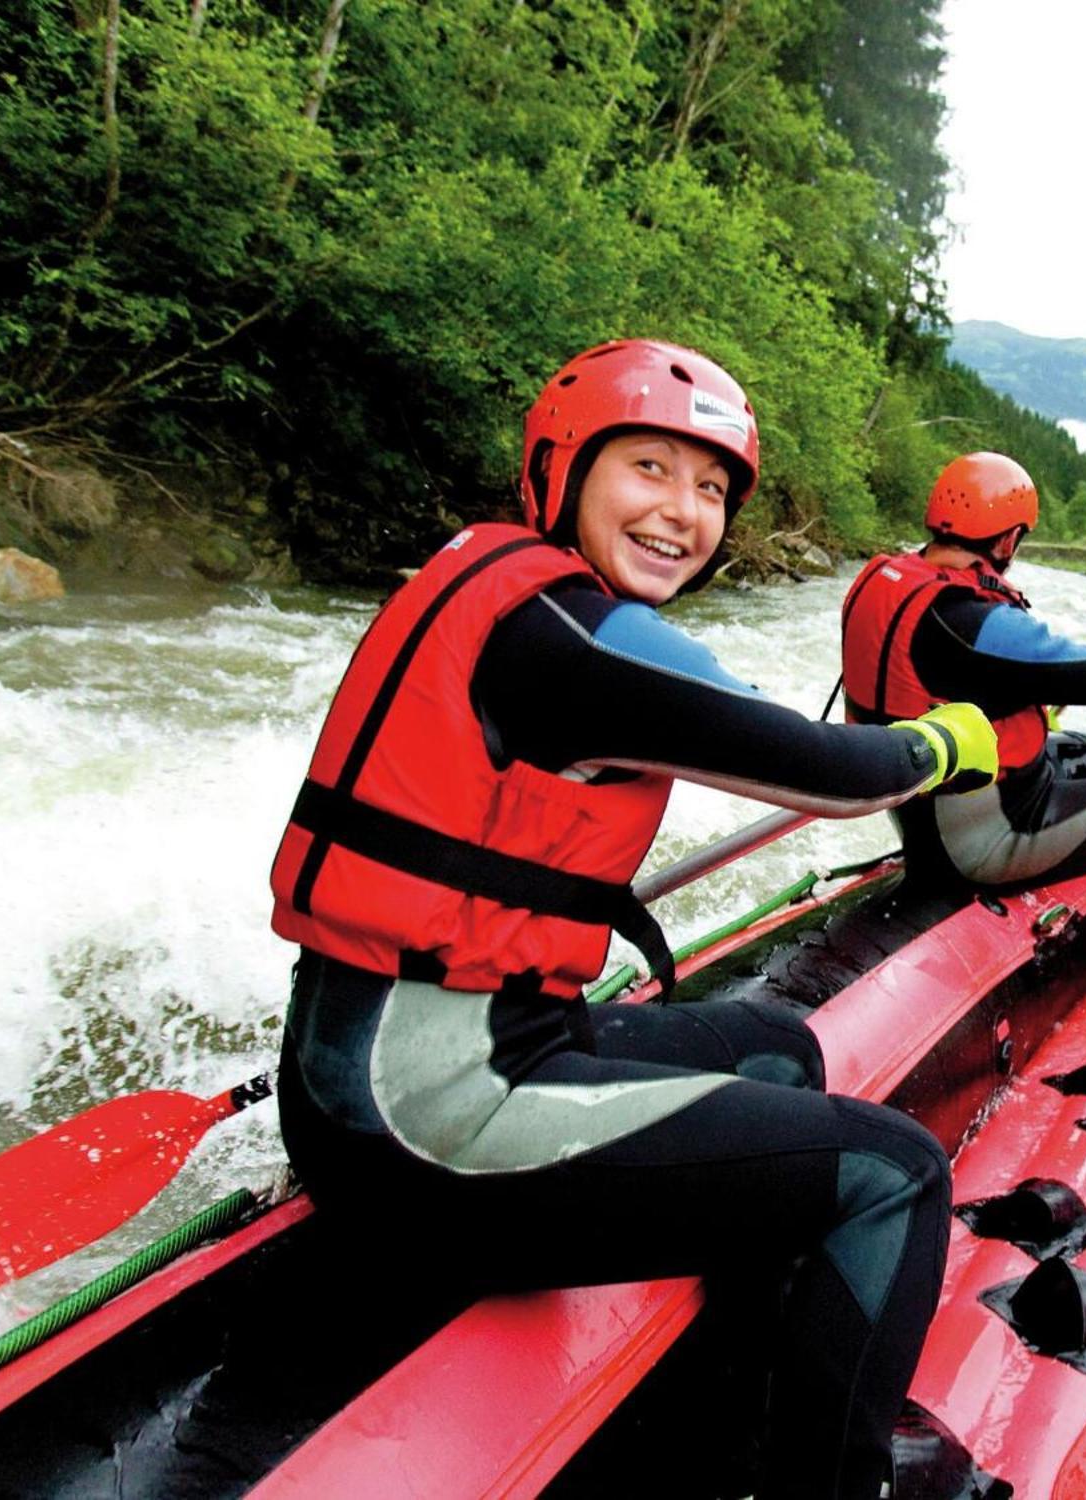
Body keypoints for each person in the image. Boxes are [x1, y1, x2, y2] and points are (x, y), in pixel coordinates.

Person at [267, 339, 1001, 1499]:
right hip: (423, 1110)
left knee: (781, 1050)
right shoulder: (565, 635)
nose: (683, 512)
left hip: (439, 1046)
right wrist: (946, 738)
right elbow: (832, 770)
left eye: (711, 488)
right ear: (561, 469)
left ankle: (746, 1398)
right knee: (893, 1174)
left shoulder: (519, 597)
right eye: (649, 468)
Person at [837, 451, 1086, 990]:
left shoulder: (895, 579)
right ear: (1006, 540)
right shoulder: (969, 619)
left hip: (934, 813)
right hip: (983, 837)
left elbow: (987, 678)